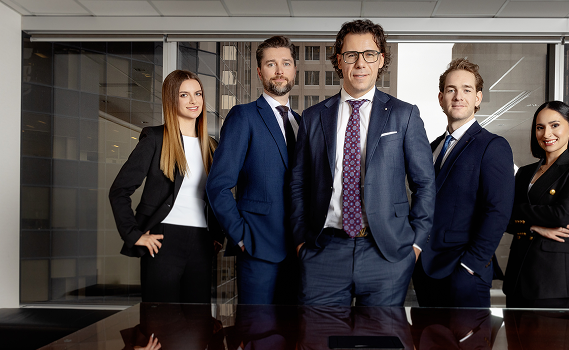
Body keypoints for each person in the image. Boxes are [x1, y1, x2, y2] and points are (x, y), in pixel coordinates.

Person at [290, 19, 435, 307]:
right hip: (324, 251)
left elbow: (425, 184)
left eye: (369, 54)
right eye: (351, 55)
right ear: (339, 61)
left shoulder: (404, 115)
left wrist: (415, 246)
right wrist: (300, 242)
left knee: (382, 340)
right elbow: (299, 183)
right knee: (318, 339)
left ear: (381, 60)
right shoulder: (313, 117)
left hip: (387, 253)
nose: (360, 63)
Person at [109, 69, 221, 303]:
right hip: (163, 240)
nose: (194, 101)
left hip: (202, 242)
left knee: (197, 322)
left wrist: (217, 236)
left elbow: (218, 196)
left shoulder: (211, 146)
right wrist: (134, 234)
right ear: (172, 99)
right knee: (160, 320)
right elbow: (119, 190)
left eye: (198, 93)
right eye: (184, 95)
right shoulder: (155, 139)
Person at [206, 36, 301, 305]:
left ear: (294, 70)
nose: (279, 70)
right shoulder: (243, 116)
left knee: (296, 334)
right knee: (259, 334)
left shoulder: (303, 124)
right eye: (271, 64)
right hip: (258, 247)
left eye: (286, 63)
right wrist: (241, 236)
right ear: (260, 72)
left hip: (300, 250)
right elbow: (218, 185)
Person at [413, 58, 515, 308]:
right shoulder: (432, 147)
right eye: (451, 90)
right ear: (441, 99)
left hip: (464, 274)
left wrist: (470, 266)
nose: (458, 96)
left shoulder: (492, 146)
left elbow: (498, 211)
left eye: (467, 90)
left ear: (478, 98)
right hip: (425, 272)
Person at [503, 100, 569, 308]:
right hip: (518, 274)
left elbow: (562, 215)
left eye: (555, 125)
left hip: (550, 278)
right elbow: (504, 220)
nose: (546, 134)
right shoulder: (525, 172)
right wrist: (534, 226)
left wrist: (516, 212)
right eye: (540, 127)